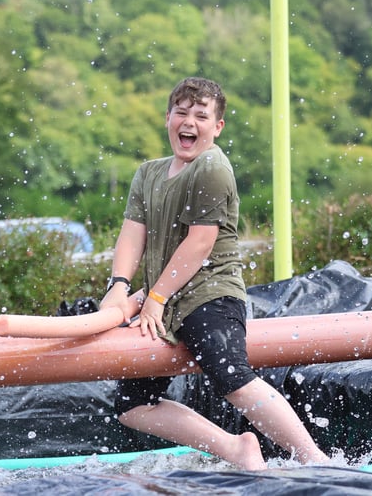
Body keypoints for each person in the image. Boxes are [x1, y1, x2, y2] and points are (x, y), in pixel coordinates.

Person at [100, 77, 328, 470]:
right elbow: (131, 235)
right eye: (182, 113)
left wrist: (155, 298)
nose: (190, 122)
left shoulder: (212, 167)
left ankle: (316, 458)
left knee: (231, 377)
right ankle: (235, 449)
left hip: (210, 294)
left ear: (217, 126)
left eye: (201, 116)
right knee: (131, 405)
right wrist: (119, 287)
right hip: (162, 304)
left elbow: (199, 243)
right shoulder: (147, 174)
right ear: (168, 118)